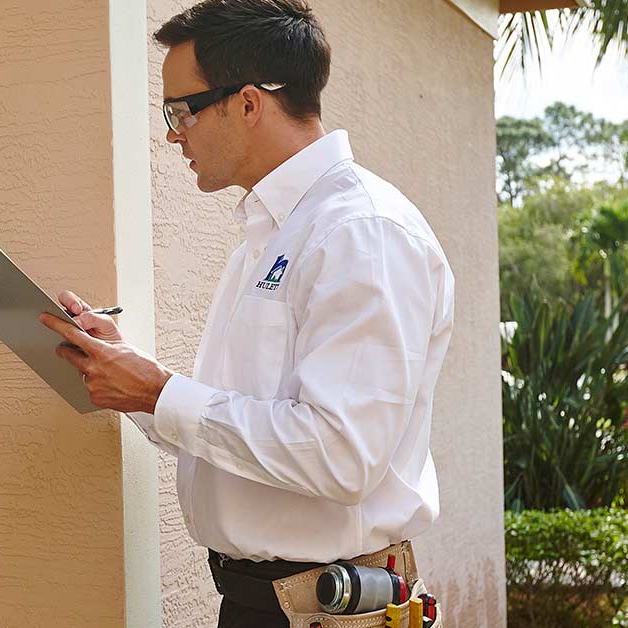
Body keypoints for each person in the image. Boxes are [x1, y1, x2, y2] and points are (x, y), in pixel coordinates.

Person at [38, 1, 455, 626]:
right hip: (271, 603)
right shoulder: (275, 235)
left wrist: (158, 394)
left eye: (180, 110)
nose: (173, 132)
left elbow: (341, 455)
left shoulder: (361, 233)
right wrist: (135, 378)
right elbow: (246, 425)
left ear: (249, 103)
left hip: (327, 609)